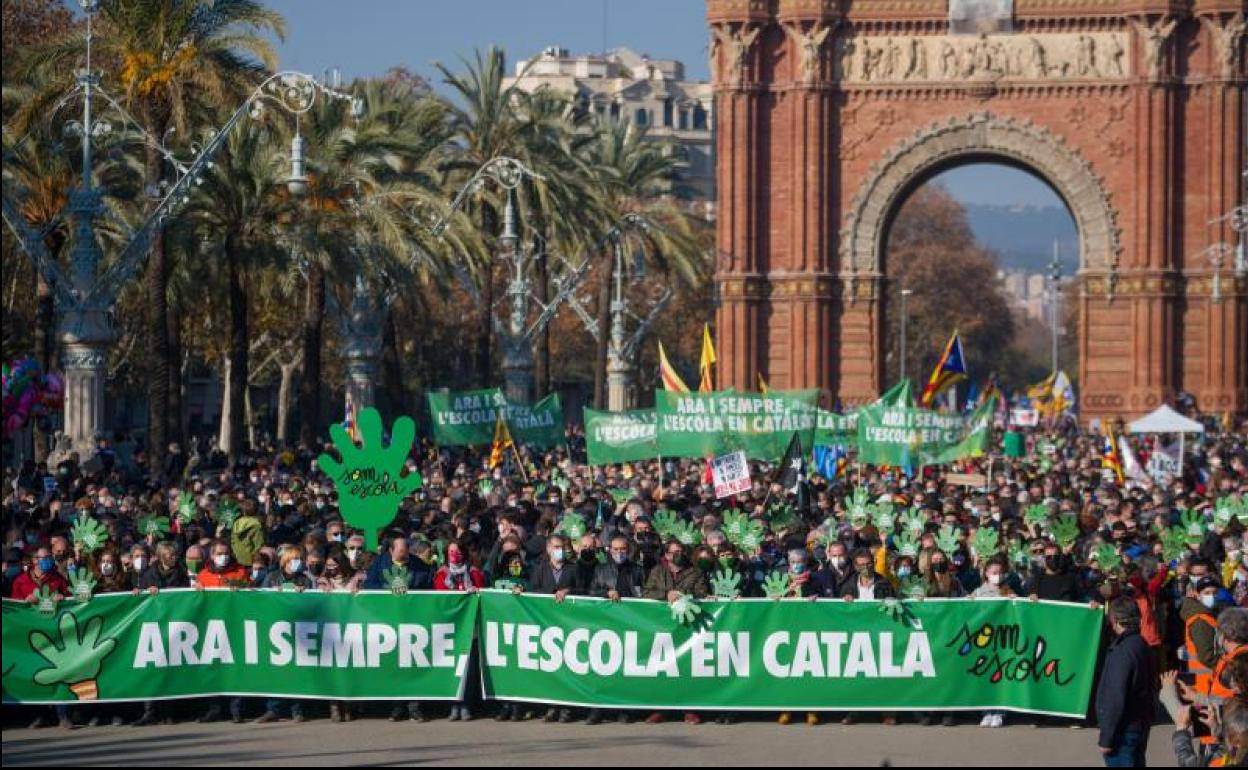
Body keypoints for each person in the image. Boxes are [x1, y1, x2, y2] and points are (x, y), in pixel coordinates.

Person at [642, 539, 708, 725]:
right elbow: (646, 593)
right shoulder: (657, 571)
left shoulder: (695, 572)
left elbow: (702, 594)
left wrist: (682, 596)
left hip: (686, 626)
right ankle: (660, 709)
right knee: (662, 668)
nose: (679, 554)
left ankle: (689, 710)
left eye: (681, 551)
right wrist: (666, 595)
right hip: (661, 628)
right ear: (667, 555)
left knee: (686, 667)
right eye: (674, 552)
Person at [585, 534, 647, 725]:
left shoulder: (637, 570)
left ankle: (625, 709)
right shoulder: (601, 570)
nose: (619, 553)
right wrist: (606, 593)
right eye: (616, 549)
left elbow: (645, 594)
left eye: (623, 550)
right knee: (601, 668)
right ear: (609, 550)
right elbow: (590, 593)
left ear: (628, 551)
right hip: (606, 625)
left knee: (626, 669)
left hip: (629, 625)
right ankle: (598, 709)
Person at [1096, 597, 1157, 767]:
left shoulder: (1122, 651)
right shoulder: (1141, 644)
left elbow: (1115, 696)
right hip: (1139, 722)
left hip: (1124, 729)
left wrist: (1106, 737)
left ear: (1114, 620)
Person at [433, 541, 484, 721]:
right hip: (449, 629)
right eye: (451, 551)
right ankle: (454, 705)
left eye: (457, 551)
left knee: (468, 670)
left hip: (470, 629)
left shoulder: (475, 573)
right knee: (451, 669)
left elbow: (482, 594)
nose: (454, 554)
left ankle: (467, 705)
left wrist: (475, 591)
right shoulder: (441, 574)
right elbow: (440, 597)